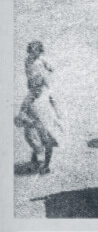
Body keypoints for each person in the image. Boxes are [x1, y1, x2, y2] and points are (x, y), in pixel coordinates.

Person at [16, 41, 65, 173]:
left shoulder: (44, 87)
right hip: (34, 97)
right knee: (31, 133)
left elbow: (49, 72)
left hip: (42, 105)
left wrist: (57, 113)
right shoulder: (29, 61)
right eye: (31, 50)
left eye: (36, 50)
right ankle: (35, 157)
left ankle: (46, 165)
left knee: (45, 135)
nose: (33, 53)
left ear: (40, 51)